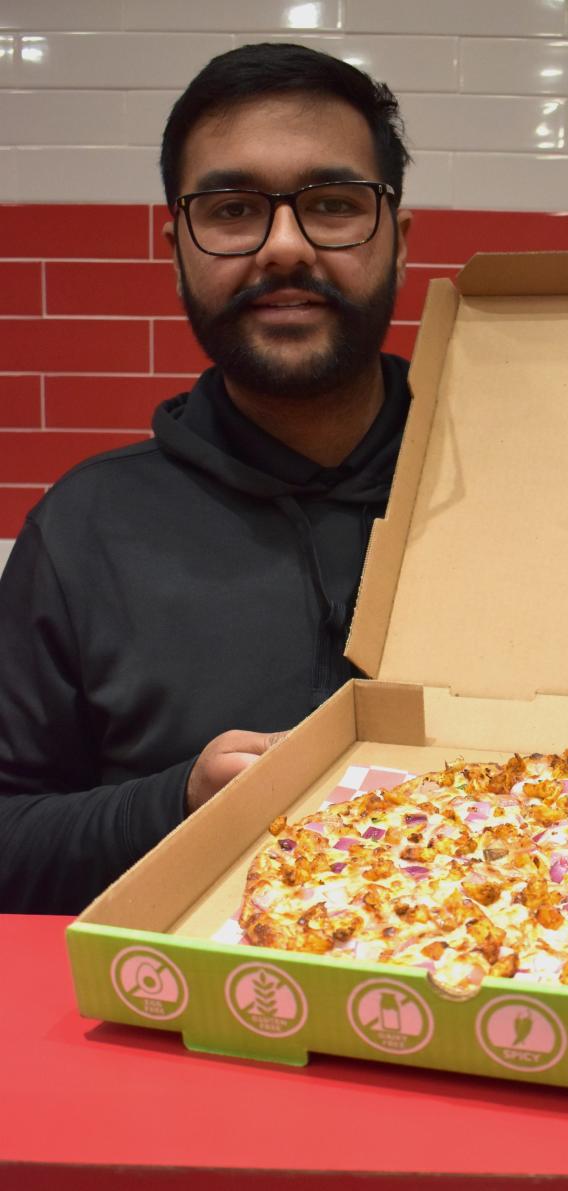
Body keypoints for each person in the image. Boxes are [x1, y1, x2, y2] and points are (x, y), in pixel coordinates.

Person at [0, 43, 414, 913]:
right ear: (177, 244)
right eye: (233, 210)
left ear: (400, 236)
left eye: (333, 204)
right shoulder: (86, 530)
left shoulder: (518, 497)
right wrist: (178, 803)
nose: (287, 246)